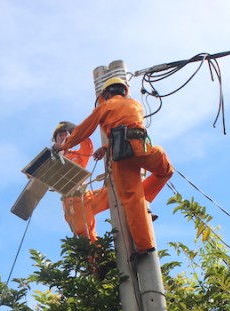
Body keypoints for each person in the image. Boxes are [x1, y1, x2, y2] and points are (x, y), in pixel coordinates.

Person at [52, 77, 174, 257]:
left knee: (132, 199)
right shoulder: (135, 104)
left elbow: (85, 131)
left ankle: (143, 243)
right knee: (165, 170)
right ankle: (143, 205)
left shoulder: (104, 107)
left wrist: (65, 144)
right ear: (123, 91)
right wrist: (105, 147)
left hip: (121, 157)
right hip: (142, 147)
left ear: (106, 94)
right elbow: (126, 127)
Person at [54, 120, 168, 245]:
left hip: (86, 196)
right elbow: (35, 176)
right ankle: (97, 263)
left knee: (123, 189)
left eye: (66, 134)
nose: (64, 136)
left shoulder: (77, 156)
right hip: (72, 202)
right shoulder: (51, 160)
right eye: (61, 135)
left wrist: (75, 130)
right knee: (86, 238)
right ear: (55, 140)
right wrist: (55, 153)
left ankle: (140, 212)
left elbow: (87, 145)